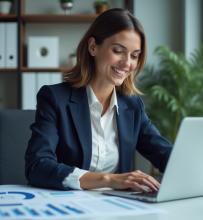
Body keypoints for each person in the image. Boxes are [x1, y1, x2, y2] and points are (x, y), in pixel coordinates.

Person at [25, 8, 173, 192]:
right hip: (69, 206)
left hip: (118, 207)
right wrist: (108, 180)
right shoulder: (54, 98)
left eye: (134, 55)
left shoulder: (132, 106)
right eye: (118, 51)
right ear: (93, 47)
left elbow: (164, 153)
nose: (127, 63)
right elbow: (37, 166)